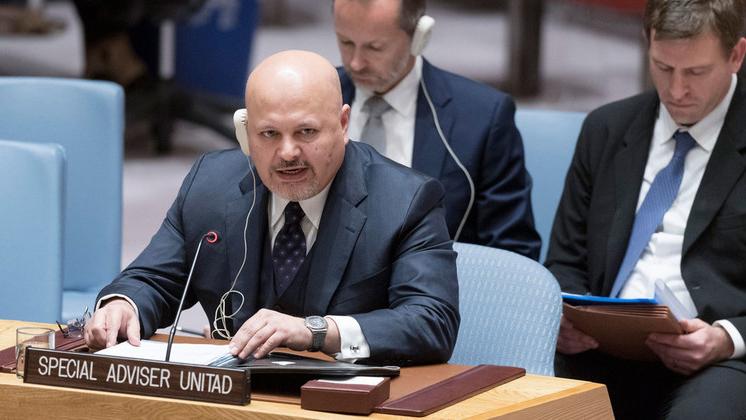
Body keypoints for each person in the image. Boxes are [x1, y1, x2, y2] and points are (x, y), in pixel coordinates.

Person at [84, 50, 460, 366]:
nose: (287, 153)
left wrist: (316, 331)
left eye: (306, 132)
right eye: (269, 134)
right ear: (246, 132)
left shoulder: (405, 200)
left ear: (343, 124)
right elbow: (152, 279)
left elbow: (431, 322)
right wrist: (123, 305)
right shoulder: (211, 183)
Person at [546, 0, 746, 418]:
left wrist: (727, 338)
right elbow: (565, 259)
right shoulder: (606, 129)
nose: (677, 90)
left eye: (696, 72)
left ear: (736, 56)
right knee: (522, 401)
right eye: (663, 67)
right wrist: (565, 318)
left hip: (718, 358)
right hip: (602, 346)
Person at [333, 0, 541, 259]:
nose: (356, 63)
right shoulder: (310, 101)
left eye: (374, 47)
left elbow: (513, 255)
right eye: (346, 42)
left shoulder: (483, 119)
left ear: (419, 37)